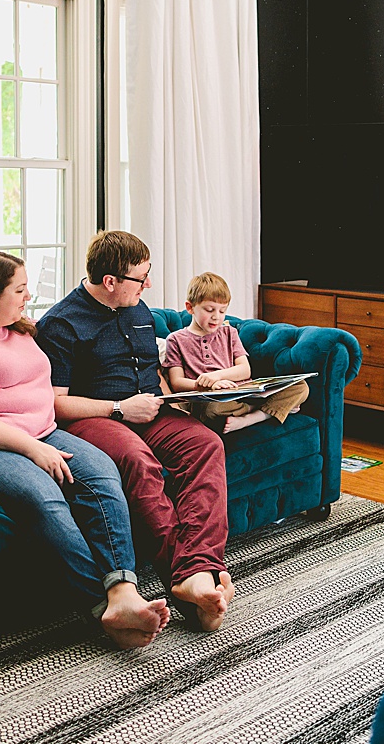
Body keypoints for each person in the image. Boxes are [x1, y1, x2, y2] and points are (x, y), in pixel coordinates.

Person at [0, 250, 168, 649]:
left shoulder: (18, 329)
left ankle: (123, 591)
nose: (28, 296)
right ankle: (101, 608)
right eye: (20, 289)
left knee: (101, 473)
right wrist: (32, 449)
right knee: (42, 494)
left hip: (37, 433)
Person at [36, 231, 235, 632]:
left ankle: (196, 571)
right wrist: (120, 409)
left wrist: (177, 397)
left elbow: (153, 372)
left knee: (206, 444)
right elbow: (55, 402)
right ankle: (184, 579)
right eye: (141, 278)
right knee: (137, 461)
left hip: (152, 410)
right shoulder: (60, 323)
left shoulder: (139, 309)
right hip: (95, 418)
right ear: (110, 281)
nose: (148, 285)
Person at [162, 271, 310, 434]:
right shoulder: (175, 339)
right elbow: (176, 382)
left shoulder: (229, 332)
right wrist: (207, 384)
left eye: (222, 311)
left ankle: (254, 417)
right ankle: (272, 409)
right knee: (212, 410)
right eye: (210, 310)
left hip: (240, 392)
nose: (216, 317)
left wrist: (217, 376)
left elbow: (244, 370)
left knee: (300, 387)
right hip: (210, 400)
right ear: (190, 307)